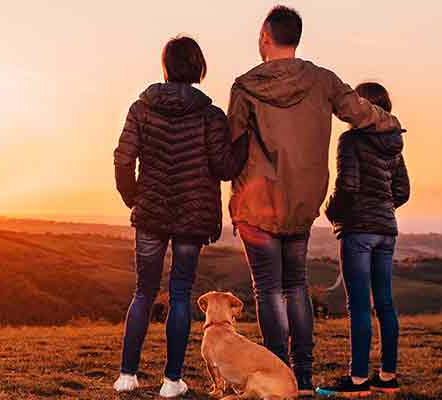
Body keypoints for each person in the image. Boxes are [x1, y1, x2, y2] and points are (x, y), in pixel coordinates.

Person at [227, 6, 402, 395]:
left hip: (258, 207)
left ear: (264, 37)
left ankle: (279, 374)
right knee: (295, 286)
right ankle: (303, 379)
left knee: (269, 290)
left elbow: (231, 149)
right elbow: (360, 113)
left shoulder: (245, 86)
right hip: (303, 203)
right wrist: (392, 125)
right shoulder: (323, 81)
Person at [111, 36, 248, 397]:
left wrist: (135, 199)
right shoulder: (211, 115)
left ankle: (127, 376)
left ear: (166, 66)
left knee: (143, 292)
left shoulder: (140, 109)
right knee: (181, 294)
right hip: (192, 215)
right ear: (198, 67)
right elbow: (223, 167)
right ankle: (172, 381)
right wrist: (244, 141)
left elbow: (123, 159)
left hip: (151, 213)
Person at [318, 82, 410, 397]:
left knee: (358, 304)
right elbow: (402, 191)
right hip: (387, 229)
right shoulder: (394, 143)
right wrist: (382, 209)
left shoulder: (351, 141)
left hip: (358, 229)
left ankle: (358, 380)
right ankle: (388, 377)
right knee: (384, 302)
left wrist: (331, 213)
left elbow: (348, 186)